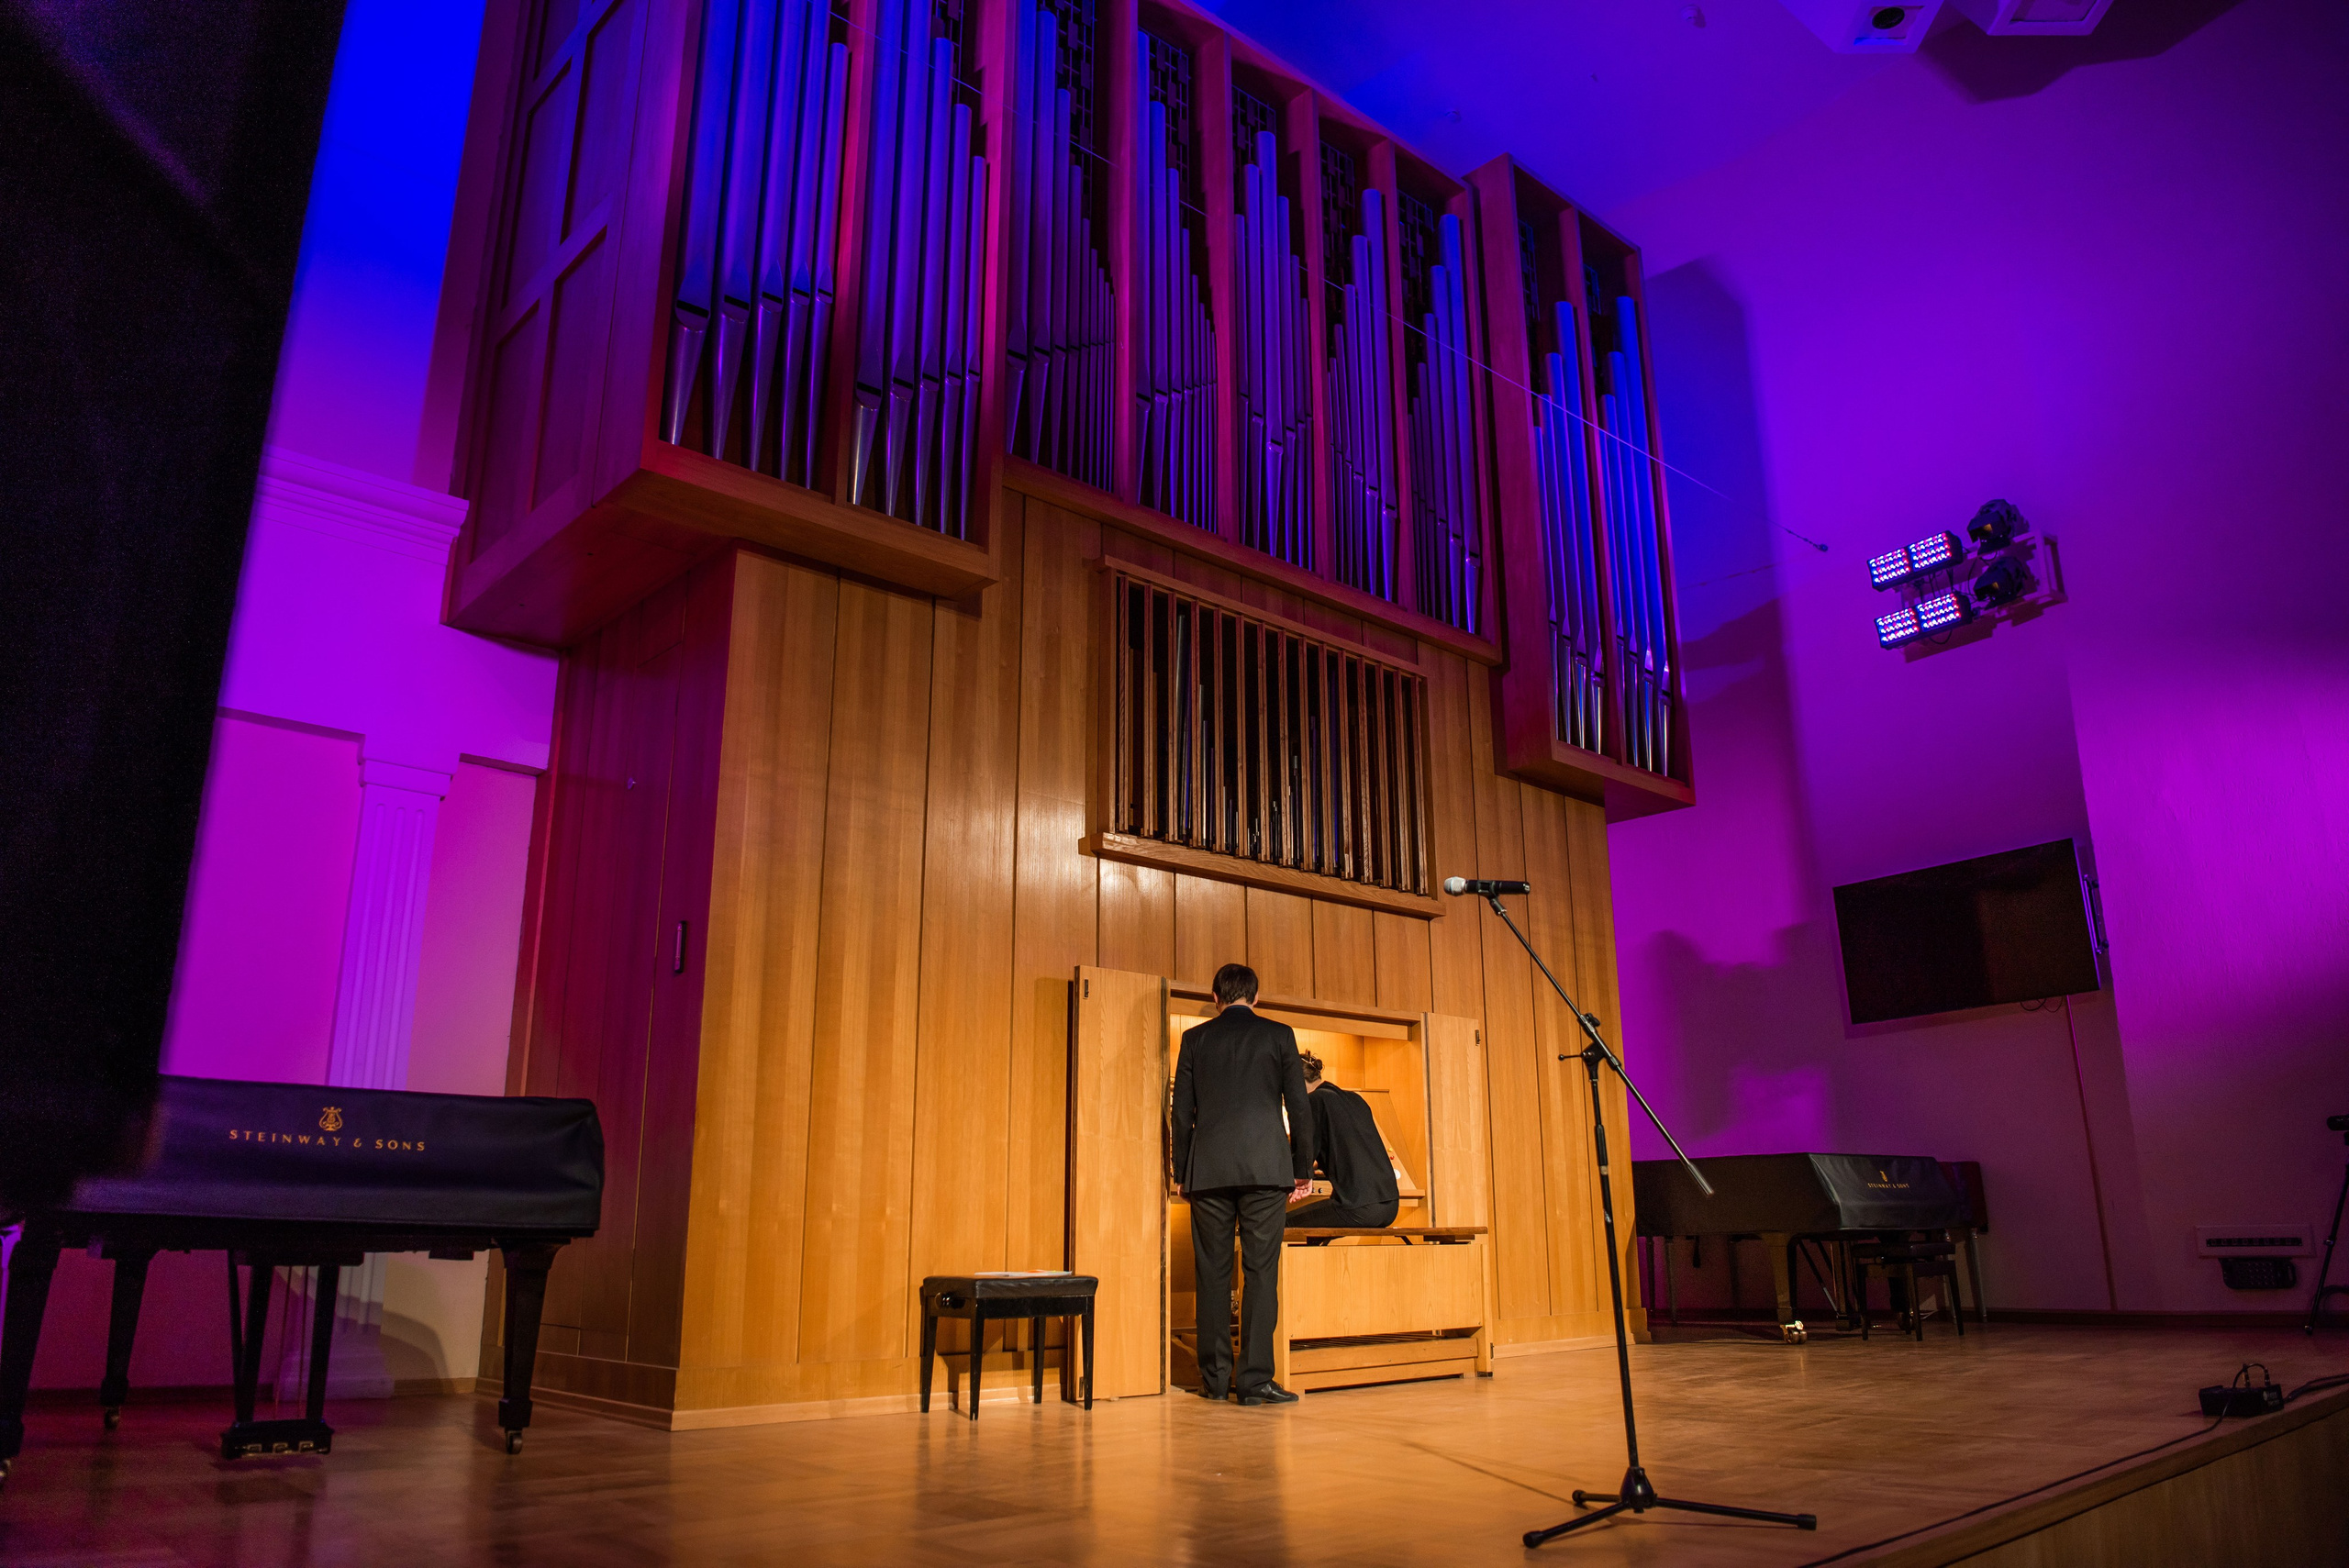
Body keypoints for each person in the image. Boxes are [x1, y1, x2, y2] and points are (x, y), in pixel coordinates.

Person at [1170, 962, 1313, 1407]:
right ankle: (1254, 1382)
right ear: (1256, 997)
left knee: (1211, 1274)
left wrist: (1180, 1173)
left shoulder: (1195, 1039)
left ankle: (1214, 1381)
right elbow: (1299, 1107)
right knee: (1259, 1273)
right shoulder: (1279, 1034)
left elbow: (1181, 1111)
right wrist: (1302, 1169)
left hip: (1208, 1170)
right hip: (1266, 1169)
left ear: (1216, 998)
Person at [1286, 1052, 1401, 1239]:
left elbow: (1303, 1155)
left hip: (1360, 1207)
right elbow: (1343, 1148)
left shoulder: (1313, 1101)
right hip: (1390, 1206)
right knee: (1318, 1229)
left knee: (1283, 1224)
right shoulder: (1354, 1099)